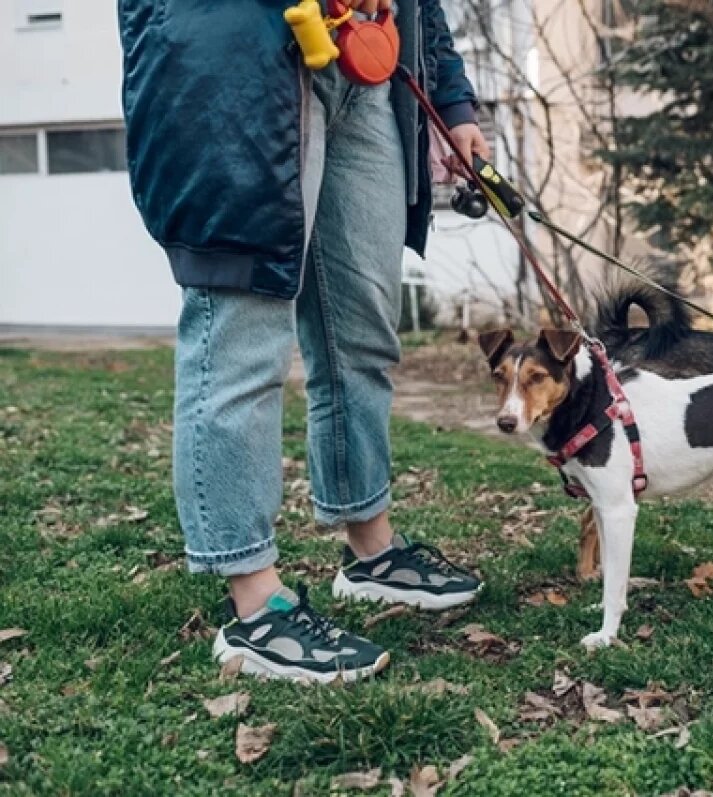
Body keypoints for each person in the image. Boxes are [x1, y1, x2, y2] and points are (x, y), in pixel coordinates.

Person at [118, 0, 489, 683]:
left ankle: (371, 547)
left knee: (362, 331)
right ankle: (256, 603)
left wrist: (454, 102)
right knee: (243, 331)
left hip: (366, 66)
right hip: (237, 56)